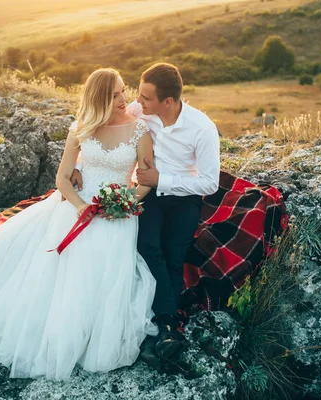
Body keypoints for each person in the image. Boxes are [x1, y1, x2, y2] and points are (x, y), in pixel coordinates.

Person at [0, 68, 158, 380]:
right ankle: (50, 334)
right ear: (99, 98)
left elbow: (145, 181)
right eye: (114, 95)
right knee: (59, 262)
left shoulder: (139, 131)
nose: (123, 99)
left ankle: (89, 336)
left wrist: (124, 203)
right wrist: (80, 205)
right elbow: (62, 178)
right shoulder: (81, 128)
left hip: (117, 211)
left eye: (123, 91)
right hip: (78, 206)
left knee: (102, 263)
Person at [71, 63, 220, 366]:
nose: (136, 102)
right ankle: (147, 320)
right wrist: (79, 164)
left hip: (183, 198)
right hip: (149, 196)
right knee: (146, 248)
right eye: (136, 95)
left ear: (168, 102)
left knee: (175, 255)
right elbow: (103, 124)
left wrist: (162, 181)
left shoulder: (202, 128)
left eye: (145, 98)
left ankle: (166, 325)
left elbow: (210, 182)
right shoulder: (141, 112)